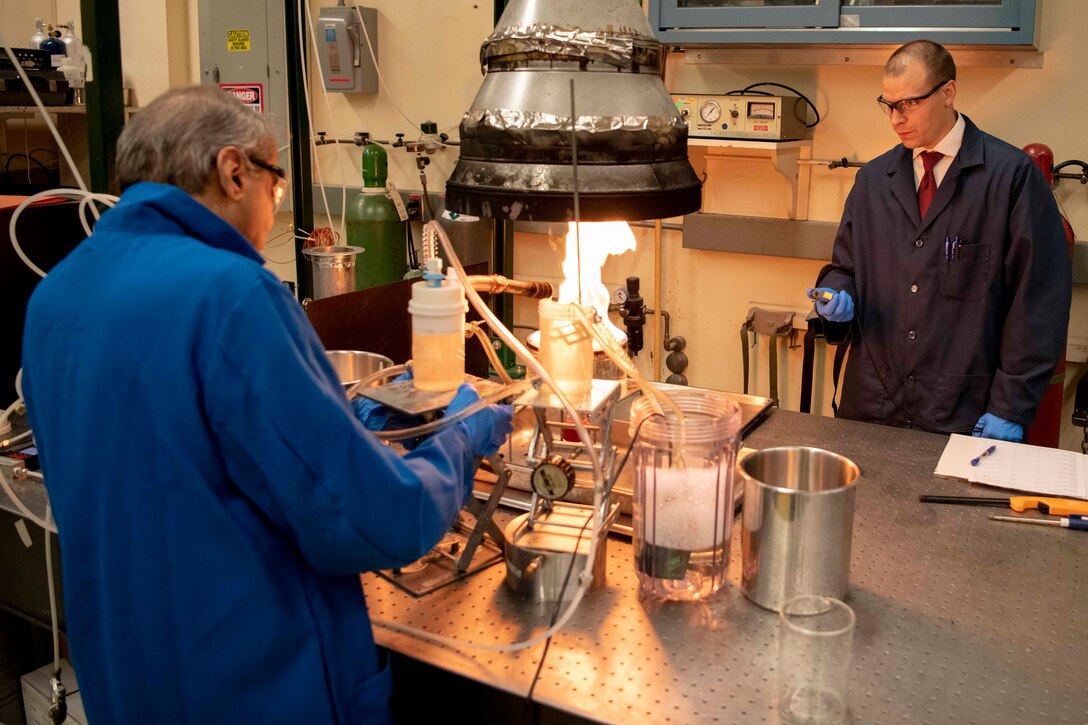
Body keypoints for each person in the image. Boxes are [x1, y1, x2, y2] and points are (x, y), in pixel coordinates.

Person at [21, 86, 512, 724]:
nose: (275, 203)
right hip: (255, 684)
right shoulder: (230, 292)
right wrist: (462, 435)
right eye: (276, 184)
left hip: (129, 680)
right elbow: (373, 520)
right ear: (233, 171)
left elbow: (178, 452)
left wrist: (346, 425)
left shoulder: (57, 295)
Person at [809, 40, 1071, 441]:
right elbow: (846, 267)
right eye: (889, 104)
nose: (896, 119)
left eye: (909, 103)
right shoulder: (873, 182)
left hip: (963, 411)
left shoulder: (1010, 178)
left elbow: (1038, 302)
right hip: (872, 405)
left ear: (948, 92)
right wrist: (835, 297)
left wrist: (1012, 405)